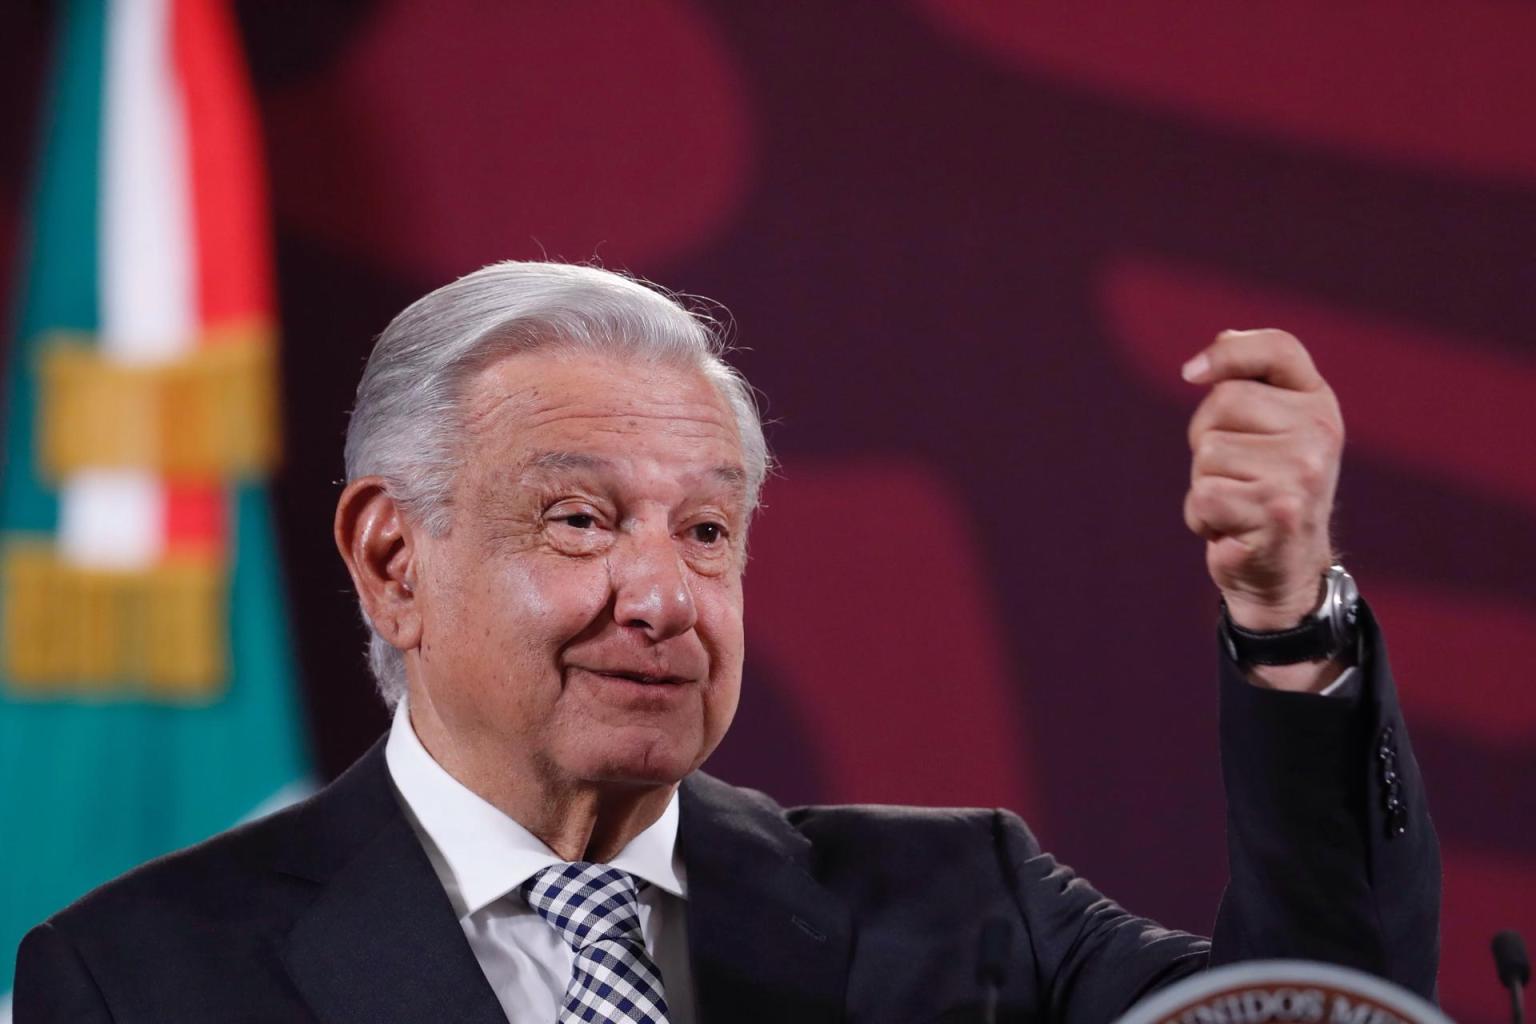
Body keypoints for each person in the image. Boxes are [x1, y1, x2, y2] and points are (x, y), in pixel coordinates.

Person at [14, 262, 1439, 1023]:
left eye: (706, 531)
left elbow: (1324, 1020)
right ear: (395, 562)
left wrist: (1287, 618)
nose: (665, 597)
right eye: (580, 521)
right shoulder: (142, 982)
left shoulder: (966, 915)